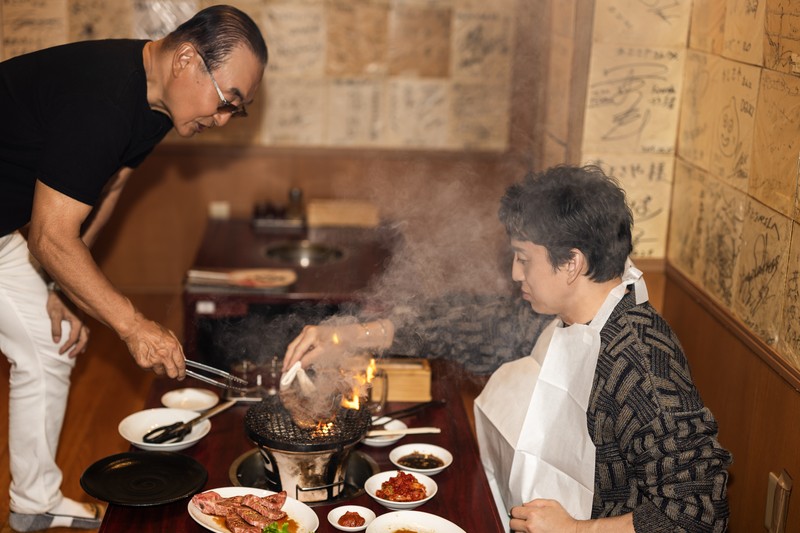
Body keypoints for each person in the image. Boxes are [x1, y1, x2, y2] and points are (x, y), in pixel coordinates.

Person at [283, 165, 732, 532]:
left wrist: (578, 530)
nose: (516, 274)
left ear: (572, 263)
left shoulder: (640, 360)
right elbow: (467, 324)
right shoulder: (566, 318)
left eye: (524, 258)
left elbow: (699, 513)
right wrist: (344, 336)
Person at [0, 5, 267, 531]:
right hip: (28, 230)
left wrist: (65, 288)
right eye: (225, 102)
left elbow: (109, 186)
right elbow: (53, 236)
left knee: (49, 343)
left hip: (8, 228)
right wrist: (132, 325)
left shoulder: (155, 104)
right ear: (187, 59)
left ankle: (33, 503)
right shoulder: (101, 96)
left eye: (236, 112)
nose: (220, 120)